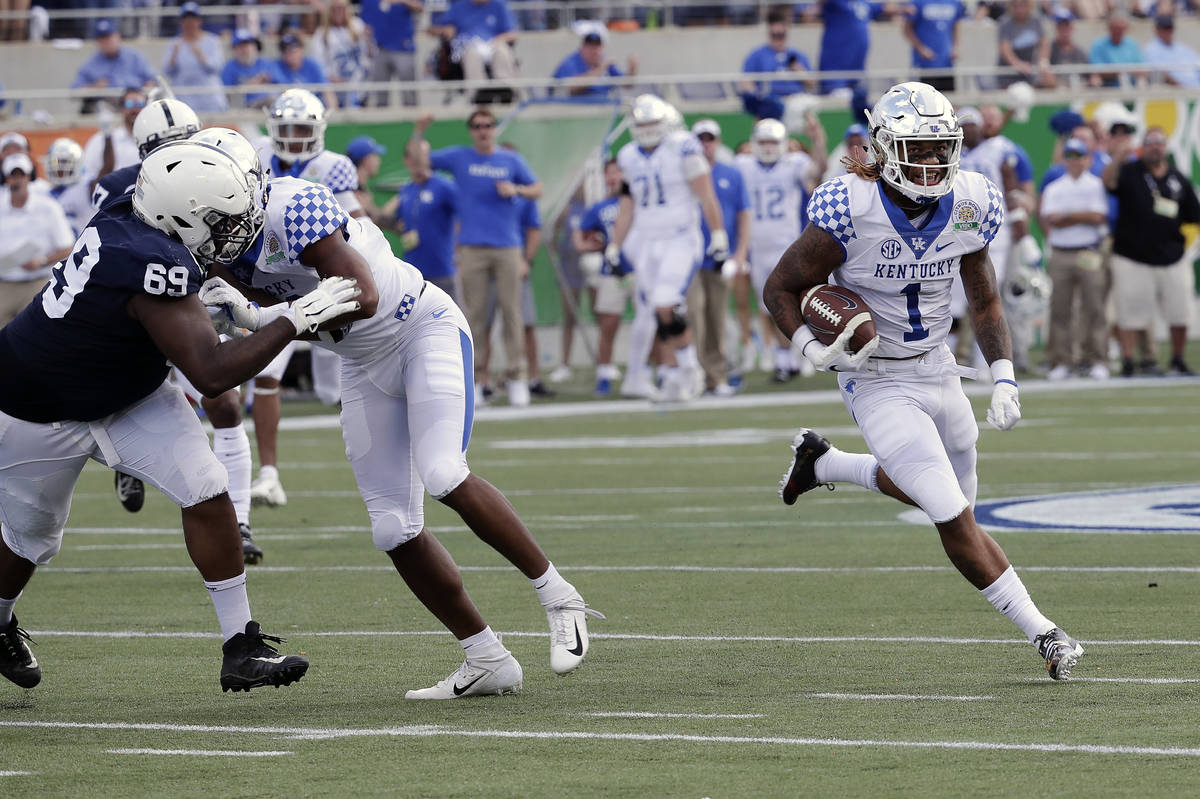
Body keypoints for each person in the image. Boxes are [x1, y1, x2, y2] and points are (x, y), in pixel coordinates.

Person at [198, 144, 603, 699]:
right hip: (362, 364)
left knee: (442, 472)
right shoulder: (204, 245)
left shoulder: (294, 207)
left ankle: (560, 597)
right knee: (391, 526)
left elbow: (361, 298)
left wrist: (262, 316)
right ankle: (486, 657)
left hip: (421, 327)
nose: (210, 224)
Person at [0, 140, 359, 692]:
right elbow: (211, 372)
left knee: (207, 487)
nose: (232, 230)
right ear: (179, 214)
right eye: (218, 219)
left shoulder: (129, 205)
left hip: (130, 390)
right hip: (38, 405)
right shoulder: (149, 259)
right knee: (29, 540)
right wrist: (291, 319)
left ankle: (241, 645)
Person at [763, 81, 1086, 682]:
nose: (934, 162)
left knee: (952, 496)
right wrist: (809, 346)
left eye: (942, 148)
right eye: (919, 148)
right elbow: (778, 288)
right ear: (884, 149)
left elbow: (985, 299)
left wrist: (1005, 378)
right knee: (951, 513)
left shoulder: (971, 200)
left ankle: (826, 464)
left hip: (939, 366)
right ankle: (1045, 633)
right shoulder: (848, 207)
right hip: (877, 378)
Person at [250, 88, 363, 505]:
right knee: (266, 373)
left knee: (339, 388)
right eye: (288, 127)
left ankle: (372, 460)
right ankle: (269, 474)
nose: (294, 136)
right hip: (276, 284)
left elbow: (358, 226)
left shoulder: (333, 168)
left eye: (302, 127)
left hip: (324, 287)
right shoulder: (256, 158)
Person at [406, 108, 542, 408]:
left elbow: (537, 189)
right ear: (471, 131)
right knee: (475, 316)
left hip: (507, 246)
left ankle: (517, 377)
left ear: (494, 129)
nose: (483, 130)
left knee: (512, 312)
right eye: (478, 126)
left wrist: (515, 189)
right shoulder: (460, 157)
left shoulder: (510, 160)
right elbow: (420, 161)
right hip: (471, 248)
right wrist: (419, 131)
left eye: (488, 125)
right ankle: (479, 379)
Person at [608, 95, 727, 402]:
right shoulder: (628, 156)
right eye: (642, 123)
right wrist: (615, 245)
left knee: (665, 302)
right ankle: (671, 376)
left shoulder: (684, 147)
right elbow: (627, 207)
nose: (647, 129)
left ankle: (690, 371)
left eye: (652, 123)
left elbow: (706, 195)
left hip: (680, 237)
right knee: (655, 310)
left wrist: (717, 233)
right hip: (647, 239)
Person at [1103, 126, 1199, 377]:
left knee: (1180, 312)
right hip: (1133, 256)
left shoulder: (1178, 178)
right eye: (1150, 142)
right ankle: (1127, 361)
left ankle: (1177, 359)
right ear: (1142, 147)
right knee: (1129, 312)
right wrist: (1118, 158)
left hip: (1172, 256)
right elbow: (1109, 182)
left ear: (1166, 147)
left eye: (1159, 142)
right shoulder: (1130, 172)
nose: (1155, 146)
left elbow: (1193, 214)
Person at [735, 117, 823, 383]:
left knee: (792, 302)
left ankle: (802, 355)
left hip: (787, 245)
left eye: (773, 141)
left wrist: (817, 139)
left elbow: (818, 169)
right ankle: (786, 358)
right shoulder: (743, 166)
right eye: (763, 142)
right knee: (771, 307)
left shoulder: (792, 164)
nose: (769, 147)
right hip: (757, 247)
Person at [1038, 137, 1110, 381]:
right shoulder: (1055, 187)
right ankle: (1062, 360)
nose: (1075, 161)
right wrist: (1082, 216)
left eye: (1079, 156)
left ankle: (1097, 358)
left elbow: (1098, 217)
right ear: (1065, 158)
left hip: (1088, 250)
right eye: (1070, 156)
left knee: (1095, 306)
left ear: (1086, 158)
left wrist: (1069, 216)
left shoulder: (1095, 184)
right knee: (1060, 308)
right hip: (1061, 251)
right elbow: (1051, 219)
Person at [689, 120, 749, 396]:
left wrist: (739, 253)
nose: (705, 144)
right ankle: (694, 373)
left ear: (717, 141)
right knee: (693, 316)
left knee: (717, 318)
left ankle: (716, 375)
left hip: (719, 257)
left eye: (709, 139)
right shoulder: (686, 174)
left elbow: (743, 214)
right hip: (689, 256)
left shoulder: (731, 174)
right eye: (700, 139)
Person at [574, 158, 634, 396]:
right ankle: (604, 375)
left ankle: (656, 372)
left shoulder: (637, 202)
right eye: (610, 173)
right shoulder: (600, 207)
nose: (614, 177)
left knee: (651, 324)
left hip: (640, 268)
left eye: (618, 171)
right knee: (608, 325)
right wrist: (593, 247)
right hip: (612, 271)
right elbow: (580, 239)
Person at [0, 153, 74, 326]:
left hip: (37, 281)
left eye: (21, 175)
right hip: (5, 283)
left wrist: (41, 261)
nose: (16, 181)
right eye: (12, 176)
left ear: (29, 177)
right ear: (6, 179)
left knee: (33, 333)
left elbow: (68, 246)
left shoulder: (48, 208)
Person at [384, 139, 459, 304]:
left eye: (424, 155)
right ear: (407, 161)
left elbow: (463, 215)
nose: (420, 160)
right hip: (413, 272)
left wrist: (458, 249)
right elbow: (398, 223)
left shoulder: (443, 185)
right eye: (415, 156)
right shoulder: (407, 189)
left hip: (441, 270)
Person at [69, 19, 157, 112]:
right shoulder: (91, 64)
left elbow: (153, 79)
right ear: (98, 42)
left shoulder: (134, 56)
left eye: (109, 37)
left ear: (118, 37)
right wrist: (95, 87)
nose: (107, 42)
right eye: (102, 39)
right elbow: (74, 92)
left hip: (136, 100)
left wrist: (144, 90)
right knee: (100, 109)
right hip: (108, 104)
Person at [430, 0, 518, 88]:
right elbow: (432, 29)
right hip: (467, 45)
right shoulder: (459, 6)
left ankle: (505, 87)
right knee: (471, 54)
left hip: (493, 44)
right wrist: (446, 30)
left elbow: (512, 33)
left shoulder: (499, 5)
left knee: (502, 51)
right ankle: (478, 90)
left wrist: (497, 40)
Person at [162, 2, 227, 112]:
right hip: (184, 98)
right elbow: (166, 71)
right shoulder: (174, 43)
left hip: (209, 98)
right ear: (181, 23)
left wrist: (201, 56)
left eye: (193, 19)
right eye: (186, 20)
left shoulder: (212, 41)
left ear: (199, 21)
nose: (190, 23)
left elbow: (218, 67)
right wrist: (174, 55)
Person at [81, 87, 146, 193]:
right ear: (121, 108)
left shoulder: (153, 139)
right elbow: (88, 179)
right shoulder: (100, 140)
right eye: (129, 104)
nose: (135, 109)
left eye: (139, 104)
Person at [310, 0, 370, 108]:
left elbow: (367, 55)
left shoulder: (358, 25)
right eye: (334, 8)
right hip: (334, 85)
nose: (338, 12)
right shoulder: (322, 33)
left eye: (341, 8)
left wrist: (369, 40)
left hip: (356, 82)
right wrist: (331, 77)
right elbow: (317, 63)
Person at [361, 0, 423, 107]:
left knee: (409, 96)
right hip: (378, 49)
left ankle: (412, 121)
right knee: (380, 95)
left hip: (403, 48)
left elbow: (419, 7)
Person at [552, 23, 636, 101]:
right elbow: (572, 88)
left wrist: (632, 70)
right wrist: (600, 70)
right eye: (590, 47)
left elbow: (627, 85)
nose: (594, 51)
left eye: (597, 47)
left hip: (603, 107)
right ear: (582, 48)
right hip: (574, 107)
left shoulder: (604, 62)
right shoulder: (570, 62)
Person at [904, 0, 965, 91]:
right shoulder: (918, 3)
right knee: (925, 99)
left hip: (946, 61)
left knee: (948, 99)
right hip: (925, 63)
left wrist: (955, 47)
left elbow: (955, 26)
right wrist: (921, 49)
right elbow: (907, 29)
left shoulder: (954, 3)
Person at [43, 138, 96, 236]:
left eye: (64, 162)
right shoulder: (41, 191)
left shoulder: (85, 188)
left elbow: (105, 171)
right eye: (56, 162)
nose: (60, 167)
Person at [271, 32, 337, 112]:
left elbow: (327, 91)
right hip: (286, 112)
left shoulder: (313, 65)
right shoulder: (276, 67)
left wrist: (332, 113)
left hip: (312, 111)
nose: (290, 55)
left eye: (293, 50)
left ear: (301, 50)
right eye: (286, 51)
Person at [995, 0, 1053, 88]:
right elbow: (1005, 49)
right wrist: (1018, 64)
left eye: (1022, 5)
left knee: (1050, 80)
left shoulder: (1036, 21)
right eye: (1015, 5)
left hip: (1029, 72)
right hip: (1010, 73)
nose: (1019, 9)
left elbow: (1044, 43)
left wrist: (1043, 61)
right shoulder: (1005, 23)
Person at [221, 29, 276, 109]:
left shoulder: (266, 63)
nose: (244, 49)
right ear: (234, 49)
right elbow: (226, 95)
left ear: (255, 46)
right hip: (243, 109)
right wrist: (249, 85)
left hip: (270, 106)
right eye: (240, 46)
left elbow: (278, 84)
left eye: (247, 45)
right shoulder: (229, 67)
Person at [1088, 11, 1144, 88]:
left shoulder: (1132, 44)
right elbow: (1097, 70)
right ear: (1109, 28)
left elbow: (1142, 68)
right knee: (1095, 80)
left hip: (1132, 86)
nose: (1118, 31)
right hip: (1107, 87)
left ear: (1126, 28)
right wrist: (1121, 73)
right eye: (1115, 28)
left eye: (1121, 28)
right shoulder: (1099, 45)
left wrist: (1121, 72)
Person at [1143, 15, 1200, 87]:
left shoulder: (1183, 48)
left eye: (1169, 28)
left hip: (1194, 90)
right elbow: (1159, 74)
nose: (1167, 31)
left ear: (1173, 29)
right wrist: (1180, 87)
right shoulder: (1150, 49)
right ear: (1156, 30)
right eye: (1163, 28)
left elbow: (1197, 64)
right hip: (1175, 93)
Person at [348, 135, 387, 224]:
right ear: (366, 159)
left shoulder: (360, 188)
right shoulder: (352, 191)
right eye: (376, 155)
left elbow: (377, 216)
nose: (379, 160)